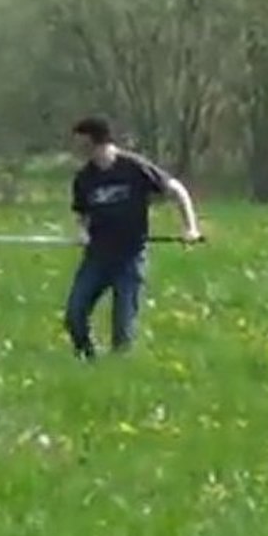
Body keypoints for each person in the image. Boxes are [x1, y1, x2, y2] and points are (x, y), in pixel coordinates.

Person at [65, 116, 202, 360]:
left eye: (81, 144)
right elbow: (82, 214)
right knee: (75, 314)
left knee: (122, 328)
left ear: (97, 143)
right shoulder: (84, 178)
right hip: (97, 257)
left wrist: (190, 228)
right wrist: (83, 233)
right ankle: (88, 360)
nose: (77, 150)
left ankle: (117, 371)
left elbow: (177, 190)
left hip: (129, 258)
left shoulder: (134, 167)